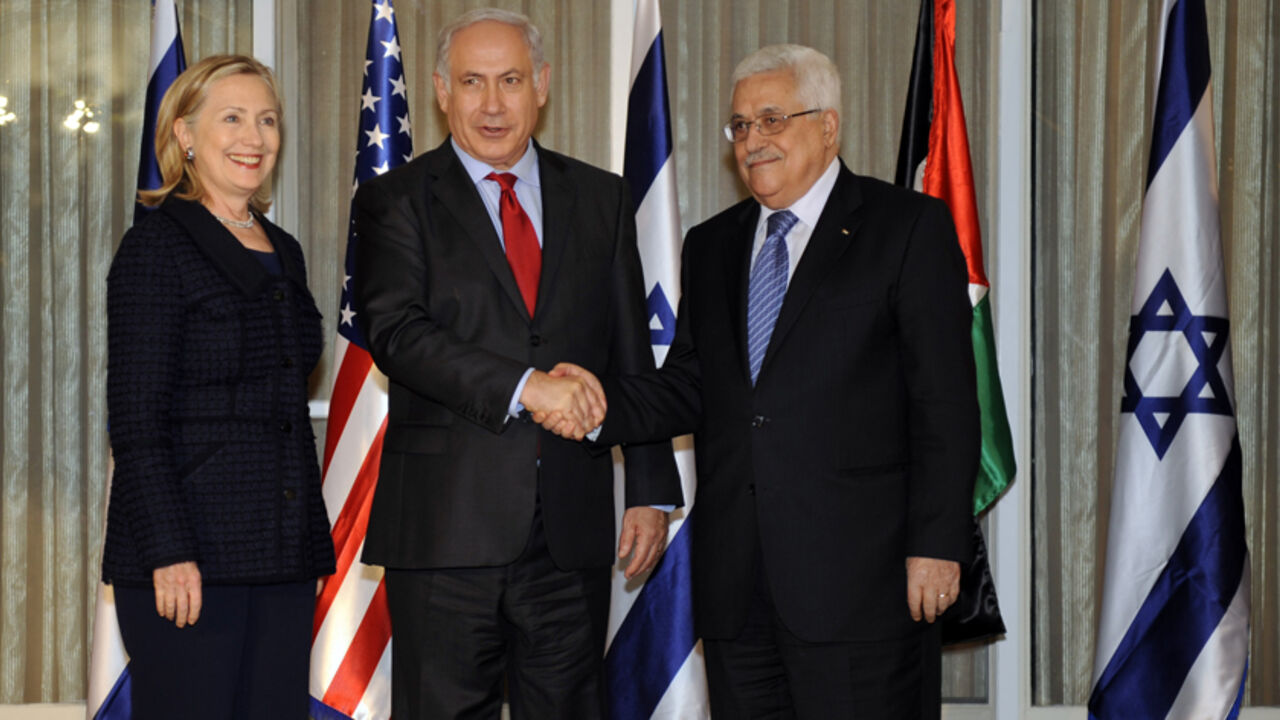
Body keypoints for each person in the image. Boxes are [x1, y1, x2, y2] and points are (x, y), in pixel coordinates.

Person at [544, 44, 979, 718]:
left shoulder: (905, 228)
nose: (752, 141)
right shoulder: (713, 244)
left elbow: (945, 403)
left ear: (828, 126)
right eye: (741, 126)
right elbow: (691, 384)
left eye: (772, 119)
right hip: (738, 588)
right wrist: (596, 405)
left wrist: (936, 546)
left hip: (862, 587)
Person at [350, 8, 683, 718]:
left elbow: (630, 348)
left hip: (569, 537)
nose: (493, 103)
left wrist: (650, 488)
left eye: (510, 80)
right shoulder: (395, 200)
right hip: (445, 534)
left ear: (543, 86)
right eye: (472, 82)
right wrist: (527, 388)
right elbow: (397, 334)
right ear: (441, 90)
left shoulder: (601, 196)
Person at [103, 54, 334, 719]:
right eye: (231, 118)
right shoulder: (156, 246)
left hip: (282, 553)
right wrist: (171, 553)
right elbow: (137, 422)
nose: (254, 138)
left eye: (267, 120)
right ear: (183, 135)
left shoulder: (282, 247)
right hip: (188, 562)